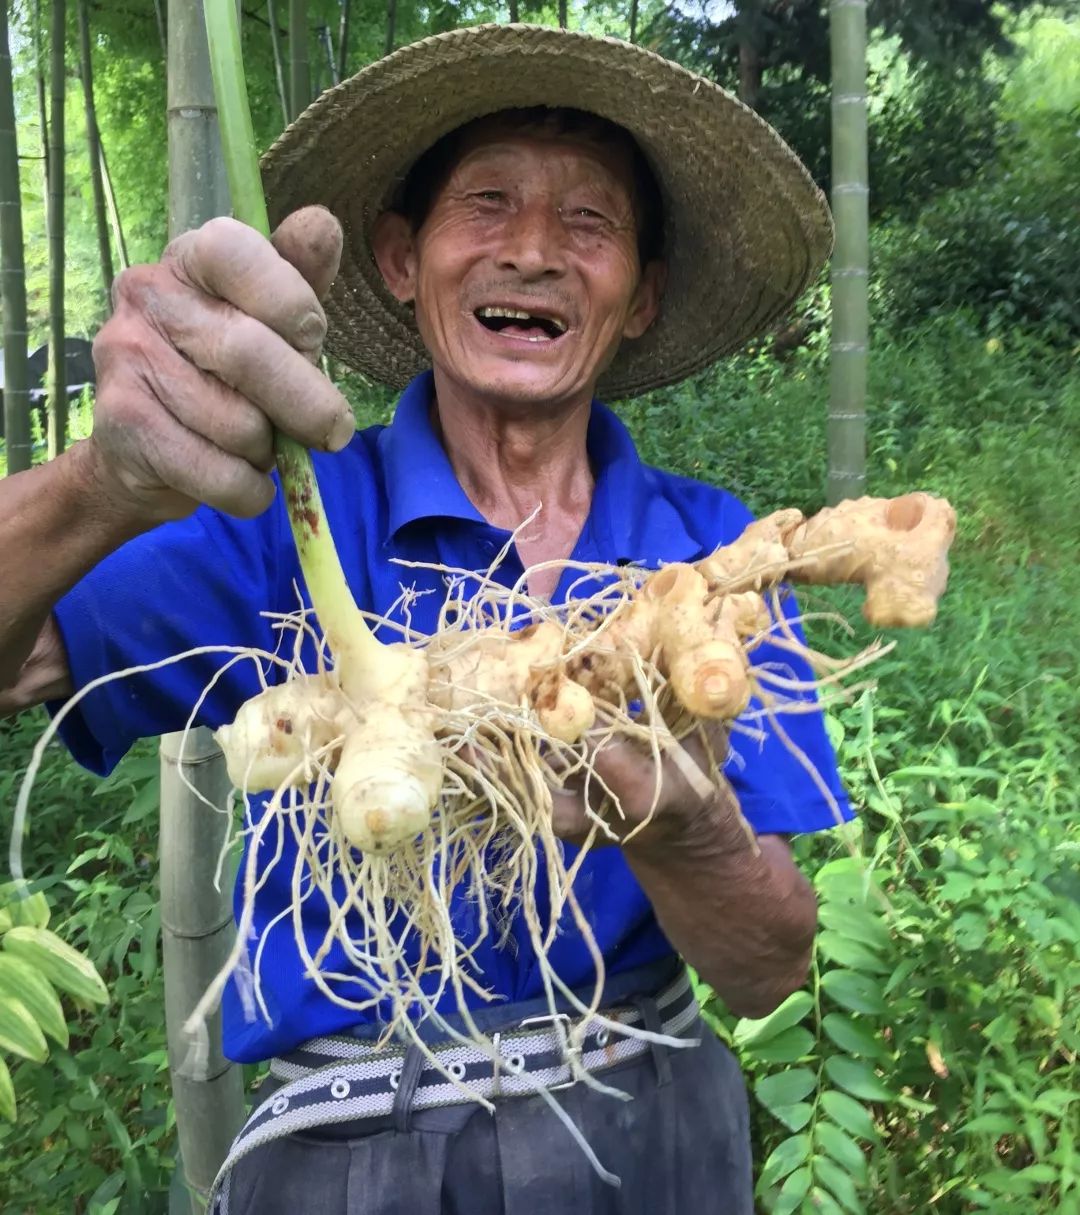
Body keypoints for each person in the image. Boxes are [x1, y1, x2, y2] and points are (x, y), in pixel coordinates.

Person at [0, 24, 848, 1214]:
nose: (537, 253)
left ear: (642, 295)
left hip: (650, 1128)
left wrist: (681, 829)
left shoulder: (713, 569)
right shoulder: (287, 515)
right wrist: (102, 486)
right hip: (353, 1150)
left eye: (590, 225)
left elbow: (766, 971)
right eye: (487, 203)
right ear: (401, 258)